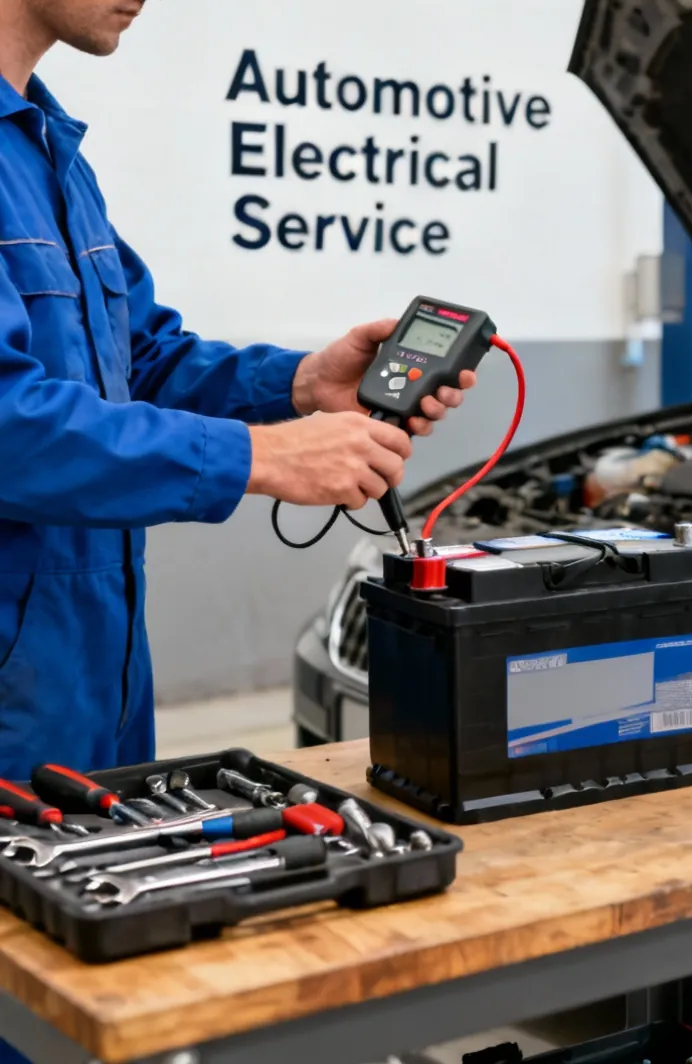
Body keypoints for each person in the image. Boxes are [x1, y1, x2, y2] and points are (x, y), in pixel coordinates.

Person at [0, 0, 473, 976]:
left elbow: (141, 355)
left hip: (95, 681)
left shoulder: (51, 152)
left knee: (101, 988)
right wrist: (263, 459)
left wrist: (301, 385)